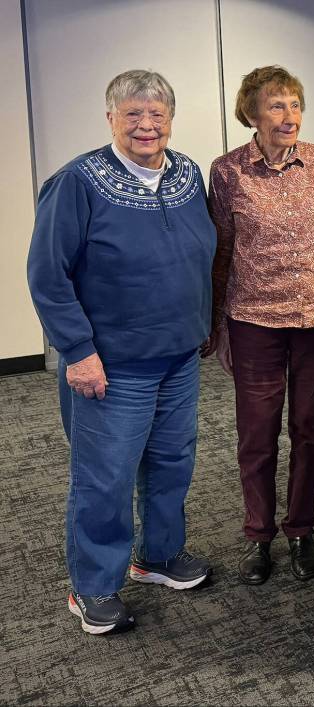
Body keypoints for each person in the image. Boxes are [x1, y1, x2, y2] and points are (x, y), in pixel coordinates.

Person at [27, 70, 215, 634]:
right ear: (110, 117)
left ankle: (157, 557)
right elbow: (47, 275)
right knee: (104, 477)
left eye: (157, 114)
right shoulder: (77, 182)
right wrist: (77, 350)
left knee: (171, 464)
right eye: (132, 113)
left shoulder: (186, 173)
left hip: (178, 356)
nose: (146, 125)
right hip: (110, 366)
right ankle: (94, 587)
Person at [206, 66, 314, 585]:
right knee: (257, 436)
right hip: (253, 321)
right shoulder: (227, 170)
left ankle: (301, 529)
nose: (289, 116)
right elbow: (220, 252)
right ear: (252, 114)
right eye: (276, 106)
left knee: (310, 430)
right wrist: (218, 324)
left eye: (294, 105)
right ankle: (258, 536)